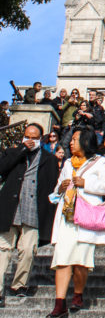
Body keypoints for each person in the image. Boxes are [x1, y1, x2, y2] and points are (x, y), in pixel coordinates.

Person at [46, 128, 105, 318]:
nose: (71, 142)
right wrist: (60, 187)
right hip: (67, 216)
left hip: (86, 217)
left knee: (82, 260)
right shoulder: (67, 163)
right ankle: (59, 303)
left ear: (85, 141)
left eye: (75, 139)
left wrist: (86, 184)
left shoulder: (100, 162)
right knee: (62, 259)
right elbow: (57, 190)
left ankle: (78, 295)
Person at [0, 123, 60, 304]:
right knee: (3, 249)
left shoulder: (49, 159)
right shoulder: (12, 153)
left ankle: (19, 284)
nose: (29, 140)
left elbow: (51, 186)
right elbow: (2, 169)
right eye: (27, 136)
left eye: (33, 137)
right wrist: (20, 151)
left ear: (41, 139)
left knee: (27, 250)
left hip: (32, 210)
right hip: (10, 208)